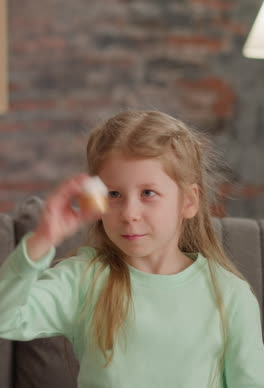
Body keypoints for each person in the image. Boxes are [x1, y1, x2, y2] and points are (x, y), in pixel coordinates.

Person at [0, 110, 263, 388]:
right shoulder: (83, 279)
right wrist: (42, 240)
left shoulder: (229, 295)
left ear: (188, 201)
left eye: (148, 193)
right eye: (114, 194)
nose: (129, 213)